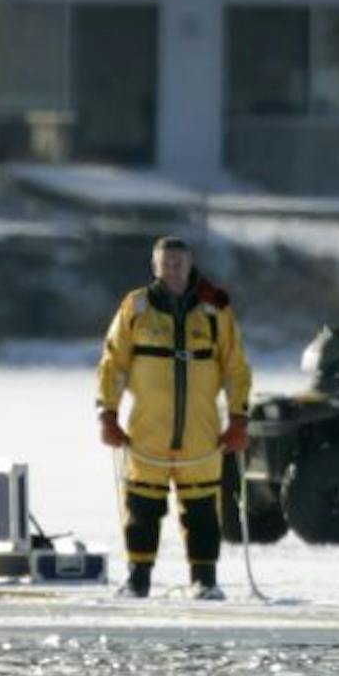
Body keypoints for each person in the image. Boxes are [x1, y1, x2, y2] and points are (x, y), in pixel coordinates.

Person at [96, 236, 253, 600]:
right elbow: (113, 363)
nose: (173, 270)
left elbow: (235, 367)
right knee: (142, 509)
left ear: (191, 264)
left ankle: (204, 580)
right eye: (166, 263)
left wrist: (239, 417)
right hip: (147, 431)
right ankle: (138, 579)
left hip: (201, 433)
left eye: (179, 263)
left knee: (201, 511)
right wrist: (108, 413)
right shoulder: (135, 307)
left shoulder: (215, 310)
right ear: (155, 266)